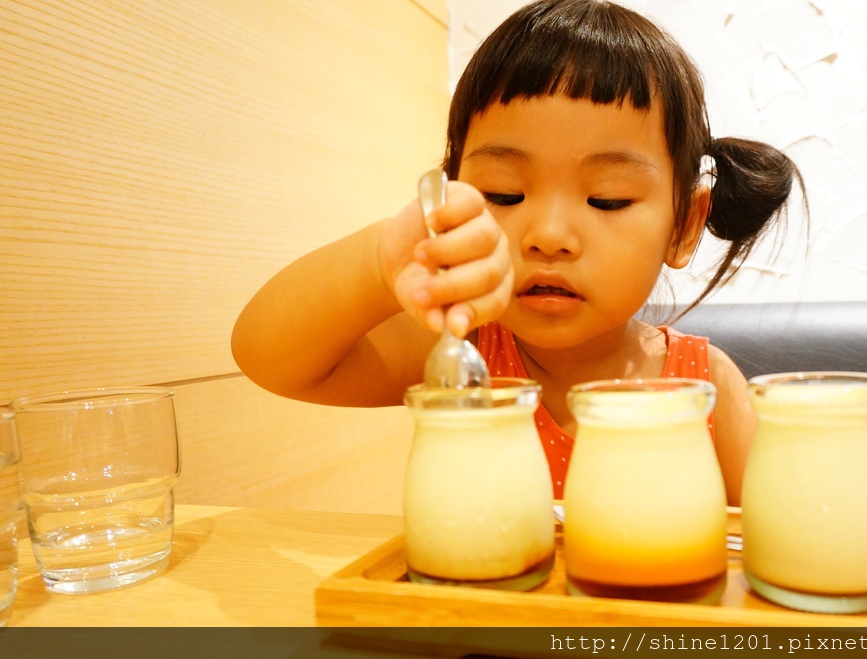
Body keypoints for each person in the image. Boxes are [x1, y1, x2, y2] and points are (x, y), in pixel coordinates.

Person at [231, 0, 803, 505]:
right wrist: (380, 264)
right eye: (503, 194)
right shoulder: (461, 355)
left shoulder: (704, 388)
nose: (548, 234)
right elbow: (269, 356)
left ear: (684, 225)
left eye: (607, 199)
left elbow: (773, 543)